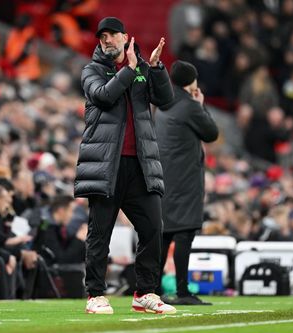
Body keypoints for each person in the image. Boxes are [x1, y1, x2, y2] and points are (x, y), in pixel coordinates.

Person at [74, 16, 176, 314]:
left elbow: (165, 99)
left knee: (152, 230)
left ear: (125, 37)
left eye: (112, 35)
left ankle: (144, 292)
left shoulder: (143, 69)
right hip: (106, 164)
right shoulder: (92, 70)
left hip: (141, 164)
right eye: (102, 36)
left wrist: (156, 68)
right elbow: (104, 96)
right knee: (100, 232)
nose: (107, 40)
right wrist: (131, 69)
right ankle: (95, 294)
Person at [154, 60, 218, 305]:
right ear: (191, 81)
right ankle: (182, 291)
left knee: (165, 235)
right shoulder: (189, 106)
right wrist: (200, 106)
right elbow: (211, 133)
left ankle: (152, 289)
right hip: (186, 179)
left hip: (165, 177)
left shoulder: (163, 104)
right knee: (184, 233)